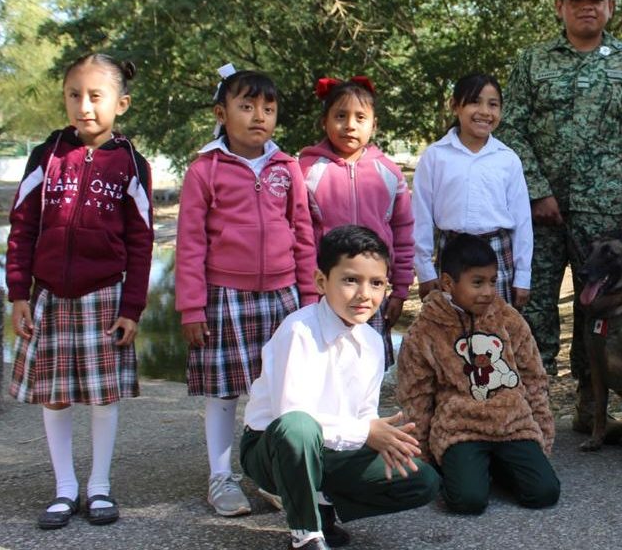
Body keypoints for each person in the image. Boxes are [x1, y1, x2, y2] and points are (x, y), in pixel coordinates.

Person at [495, 0, 622, 431]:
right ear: (560, 7)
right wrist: (537, 190)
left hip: (607, 214)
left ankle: (593, 412)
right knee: (533, 307)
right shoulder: (533, 61)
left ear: (609, 6)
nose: (586, 7)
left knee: (601, 311)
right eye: (576, 0)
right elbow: (511, 128)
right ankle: (528, 410)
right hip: (540, 212)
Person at [7, 53, 152, 529]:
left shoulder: (131, 162)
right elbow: (23, 225)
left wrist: (133, 306)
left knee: (102, 395)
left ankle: (99, 486)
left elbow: (141, 239)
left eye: (96, 96)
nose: (83, 106)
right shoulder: (46, 156)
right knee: (56, 394)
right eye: (74, 95)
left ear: (121, 102)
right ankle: (65, 488)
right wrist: (19, 292)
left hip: (105, 295)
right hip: (49, 293)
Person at [241, 225, 439, 550]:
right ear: (322, 281)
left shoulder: (373, 341)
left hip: (334, 447)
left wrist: (383, 438)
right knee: (299, 427)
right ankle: (306, 533)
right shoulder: (299, 331)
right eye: (350, 280)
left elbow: (364, 414)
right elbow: (290, 418)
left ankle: (324, 508)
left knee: (423, 481)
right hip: (272, 448)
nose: (365, 294)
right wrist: (365, 433)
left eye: (376, 283)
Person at [176, 67, 318, 518]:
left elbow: (303, 234)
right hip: (224, 295)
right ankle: (221, 477)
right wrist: (191, 307)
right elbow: (191, 242)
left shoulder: (287, 166)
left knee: (281, 387)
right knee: (223, 391)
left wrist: (310, 301)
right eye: (246, 106)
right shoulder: (204, 169)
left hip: (281, 296)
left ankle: (274, 476)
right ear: (222, 113)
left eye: (268, 109)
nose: (259, 116)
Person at [397, 233, 558, 514]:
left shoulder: (508, 319)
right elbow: (416, 396)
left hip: (512, 424)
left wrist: (542, 436)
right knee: (468, 501)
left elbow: (534, 378)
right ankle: (469, 469)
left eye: (493, 281)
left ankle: (493, 466)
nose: (488, 291)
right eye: (477, 282)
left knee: (544, 493)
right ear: (448, 283)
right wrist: (422, 457)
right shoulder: (425, 330)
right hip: (461, 429)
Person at [299, 75, 415, 367]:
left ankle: (366, 413)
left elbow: (403, 233)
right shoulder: (305, 170)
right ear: (324, 121)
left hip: (370, 291)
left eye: (360, 117)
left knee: (366, 362)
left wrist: (400, 290)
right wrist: (306, 287)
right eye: (340, 116)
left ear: (373, 125)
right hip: (324, 290)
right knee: (322, 363)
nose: (350, 125)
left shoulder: (389, 173)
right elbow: (297, 232)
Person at [413, 73, 533, 309]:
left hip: (497, 254)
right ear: (455, 105)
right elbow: (421, 216)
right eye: (475, 102)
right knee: (451, 330)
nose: (485, 112)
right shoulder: (436, 156)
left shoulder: (507, 159)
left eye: (493, 104)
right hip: (452, 252)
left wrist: (523, 276)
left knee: (495, 331)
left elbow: (522, 221)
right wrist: (425, 270)